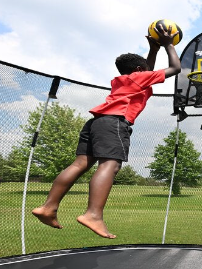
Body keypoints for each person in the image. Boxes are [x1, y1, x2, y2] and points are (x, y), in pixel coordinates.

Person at [32, 24, 181, 239]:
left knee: (79, 164)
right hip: (114, 123)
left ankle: (48, 207)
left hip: (96, 122)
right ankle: (93, 214)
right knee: (110, 165)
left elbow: (146, 69)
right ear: (140, 71)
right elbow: (175, 68)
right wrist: (168, 45)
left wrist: (154, 49)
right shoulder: (140, 78)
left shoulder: (123, 80)